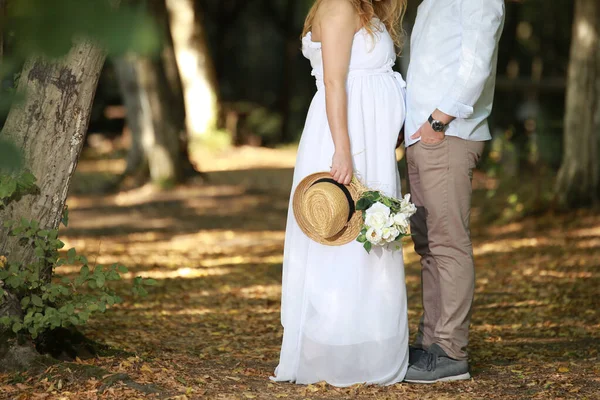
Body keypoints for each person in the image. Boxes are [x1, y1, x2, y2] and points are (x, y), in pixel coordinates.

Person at [270, 0, 410, 386]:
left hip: (370, 137)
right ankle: (332, 354)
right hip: (348, 136)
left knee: (368, 245)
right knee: (343, 240)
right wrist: (343, 148)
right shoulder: (337, 6)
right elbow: (334, 81)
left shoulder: (362, 7)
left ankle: (365, 348)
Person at [403, 0, 505, 383]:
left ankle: (450, 350)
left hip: (448, 133)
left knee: (448, 243)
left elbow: (476, 61)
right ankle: (431, 341)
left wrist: (437, 120)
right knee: (427, 245)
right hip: (424, 135)